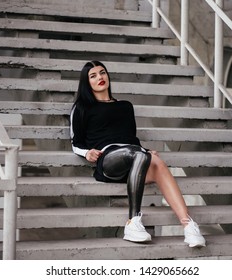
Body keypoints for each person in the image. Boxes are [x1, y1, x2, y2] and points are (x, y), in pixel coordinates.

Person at [70, 61, 206, 247]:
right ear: (87, 83)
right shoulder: (82, 107)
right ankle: (132, 222)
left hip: (134, 158)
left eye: (102, 73)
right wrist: (87, 153)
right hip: (109, 160)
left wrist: (146, 151)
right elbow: (75, 142)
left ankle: (189, 226)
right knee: (140, 155)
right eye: (93, 76)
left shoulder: (125, 106)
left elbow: (130, 138)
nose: (100, 78)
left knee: (156, 161)